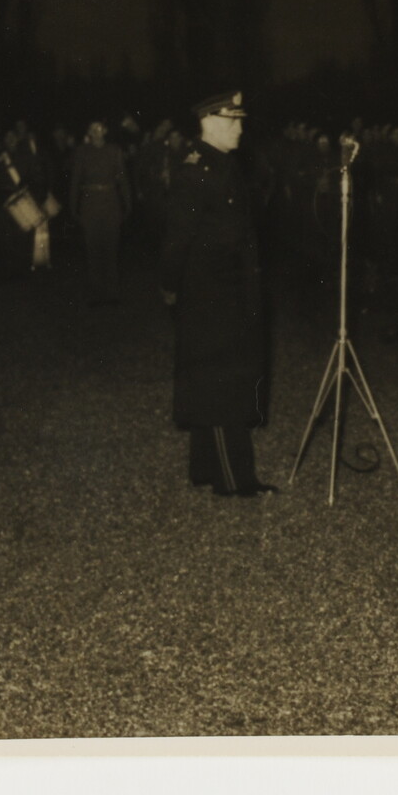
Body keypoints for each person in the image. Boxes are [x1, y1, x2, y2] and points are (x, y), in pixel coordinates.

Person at [159, 90, 274, 497]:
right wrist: (171, 287)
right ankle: (234, 479)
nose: (241, 128)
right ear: (209, 123)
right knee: (224, 385)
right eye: (233, 121)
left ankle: (205, 468)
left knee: (212, 378)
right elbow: (178, 238)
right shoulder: (196, 170)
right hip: (213, 294)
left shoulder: (222, 164)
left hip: (228, 289)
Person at [70, 119, 131, 305]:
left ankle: (113, 292)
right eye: (92, 128)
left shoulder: (114, 151)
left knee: (111, 249)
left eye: (99, 128)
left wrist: (127, 205)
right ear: (89, 131)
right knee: (93, 249)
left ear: (105, 131)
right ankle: (96, 292)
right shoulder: (82, 152)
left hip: (111, 203)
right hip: (90, 205)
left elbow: (123, 180)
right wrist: (74, 207)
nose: (96, 132)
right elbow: (75, 181)